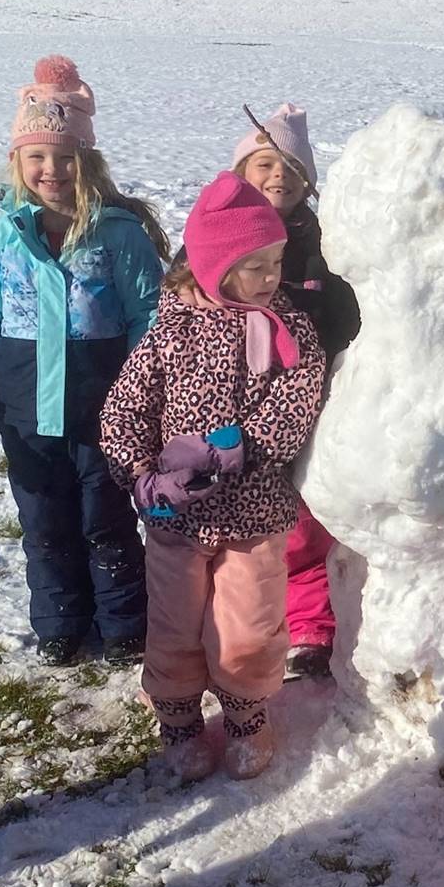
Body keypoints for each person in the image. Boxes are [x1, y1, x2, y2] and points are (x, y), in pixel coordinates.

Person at [0, 56, 168, 667]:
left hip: (105, 407)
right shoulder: (0, 236)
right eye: (37, 157)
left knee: (105, 517)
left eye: (64, 157)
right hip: (25, 403)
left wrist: (152, 393)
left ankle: (123, 622)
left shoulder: (118, 234)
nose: (50, 170)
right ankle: (60, 619)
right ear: (17, 162)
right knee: (44, 517)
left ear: (86, 161)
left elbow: (149, 317)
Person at [100, 173, 327, 782]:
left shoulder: (289, 330)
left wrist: (238, 448)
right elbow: (125, 410)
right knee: (174, 625)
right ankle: (176, 718)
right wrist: (144, 479)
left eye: (276, 261)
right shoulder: (170, 329)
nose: (272, 277)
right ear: (214, 265)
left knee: (249, 623)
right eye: (255, 266)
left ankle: (247, 712)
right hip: (177, 519)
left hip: (254, 513)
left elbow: (297, 402)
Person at [230, 104, 359, 683]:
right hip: (233, 396)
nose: (279, 175)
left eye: (291, 166)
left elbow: (347, 311)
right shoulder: (221, 228)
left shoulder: (322, 239)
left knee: (304, 519)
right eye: (265, 163)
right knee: (241, 517)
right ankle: (243, 623)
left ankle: (310, 627)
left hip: (309, 396)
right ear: (242, 171)